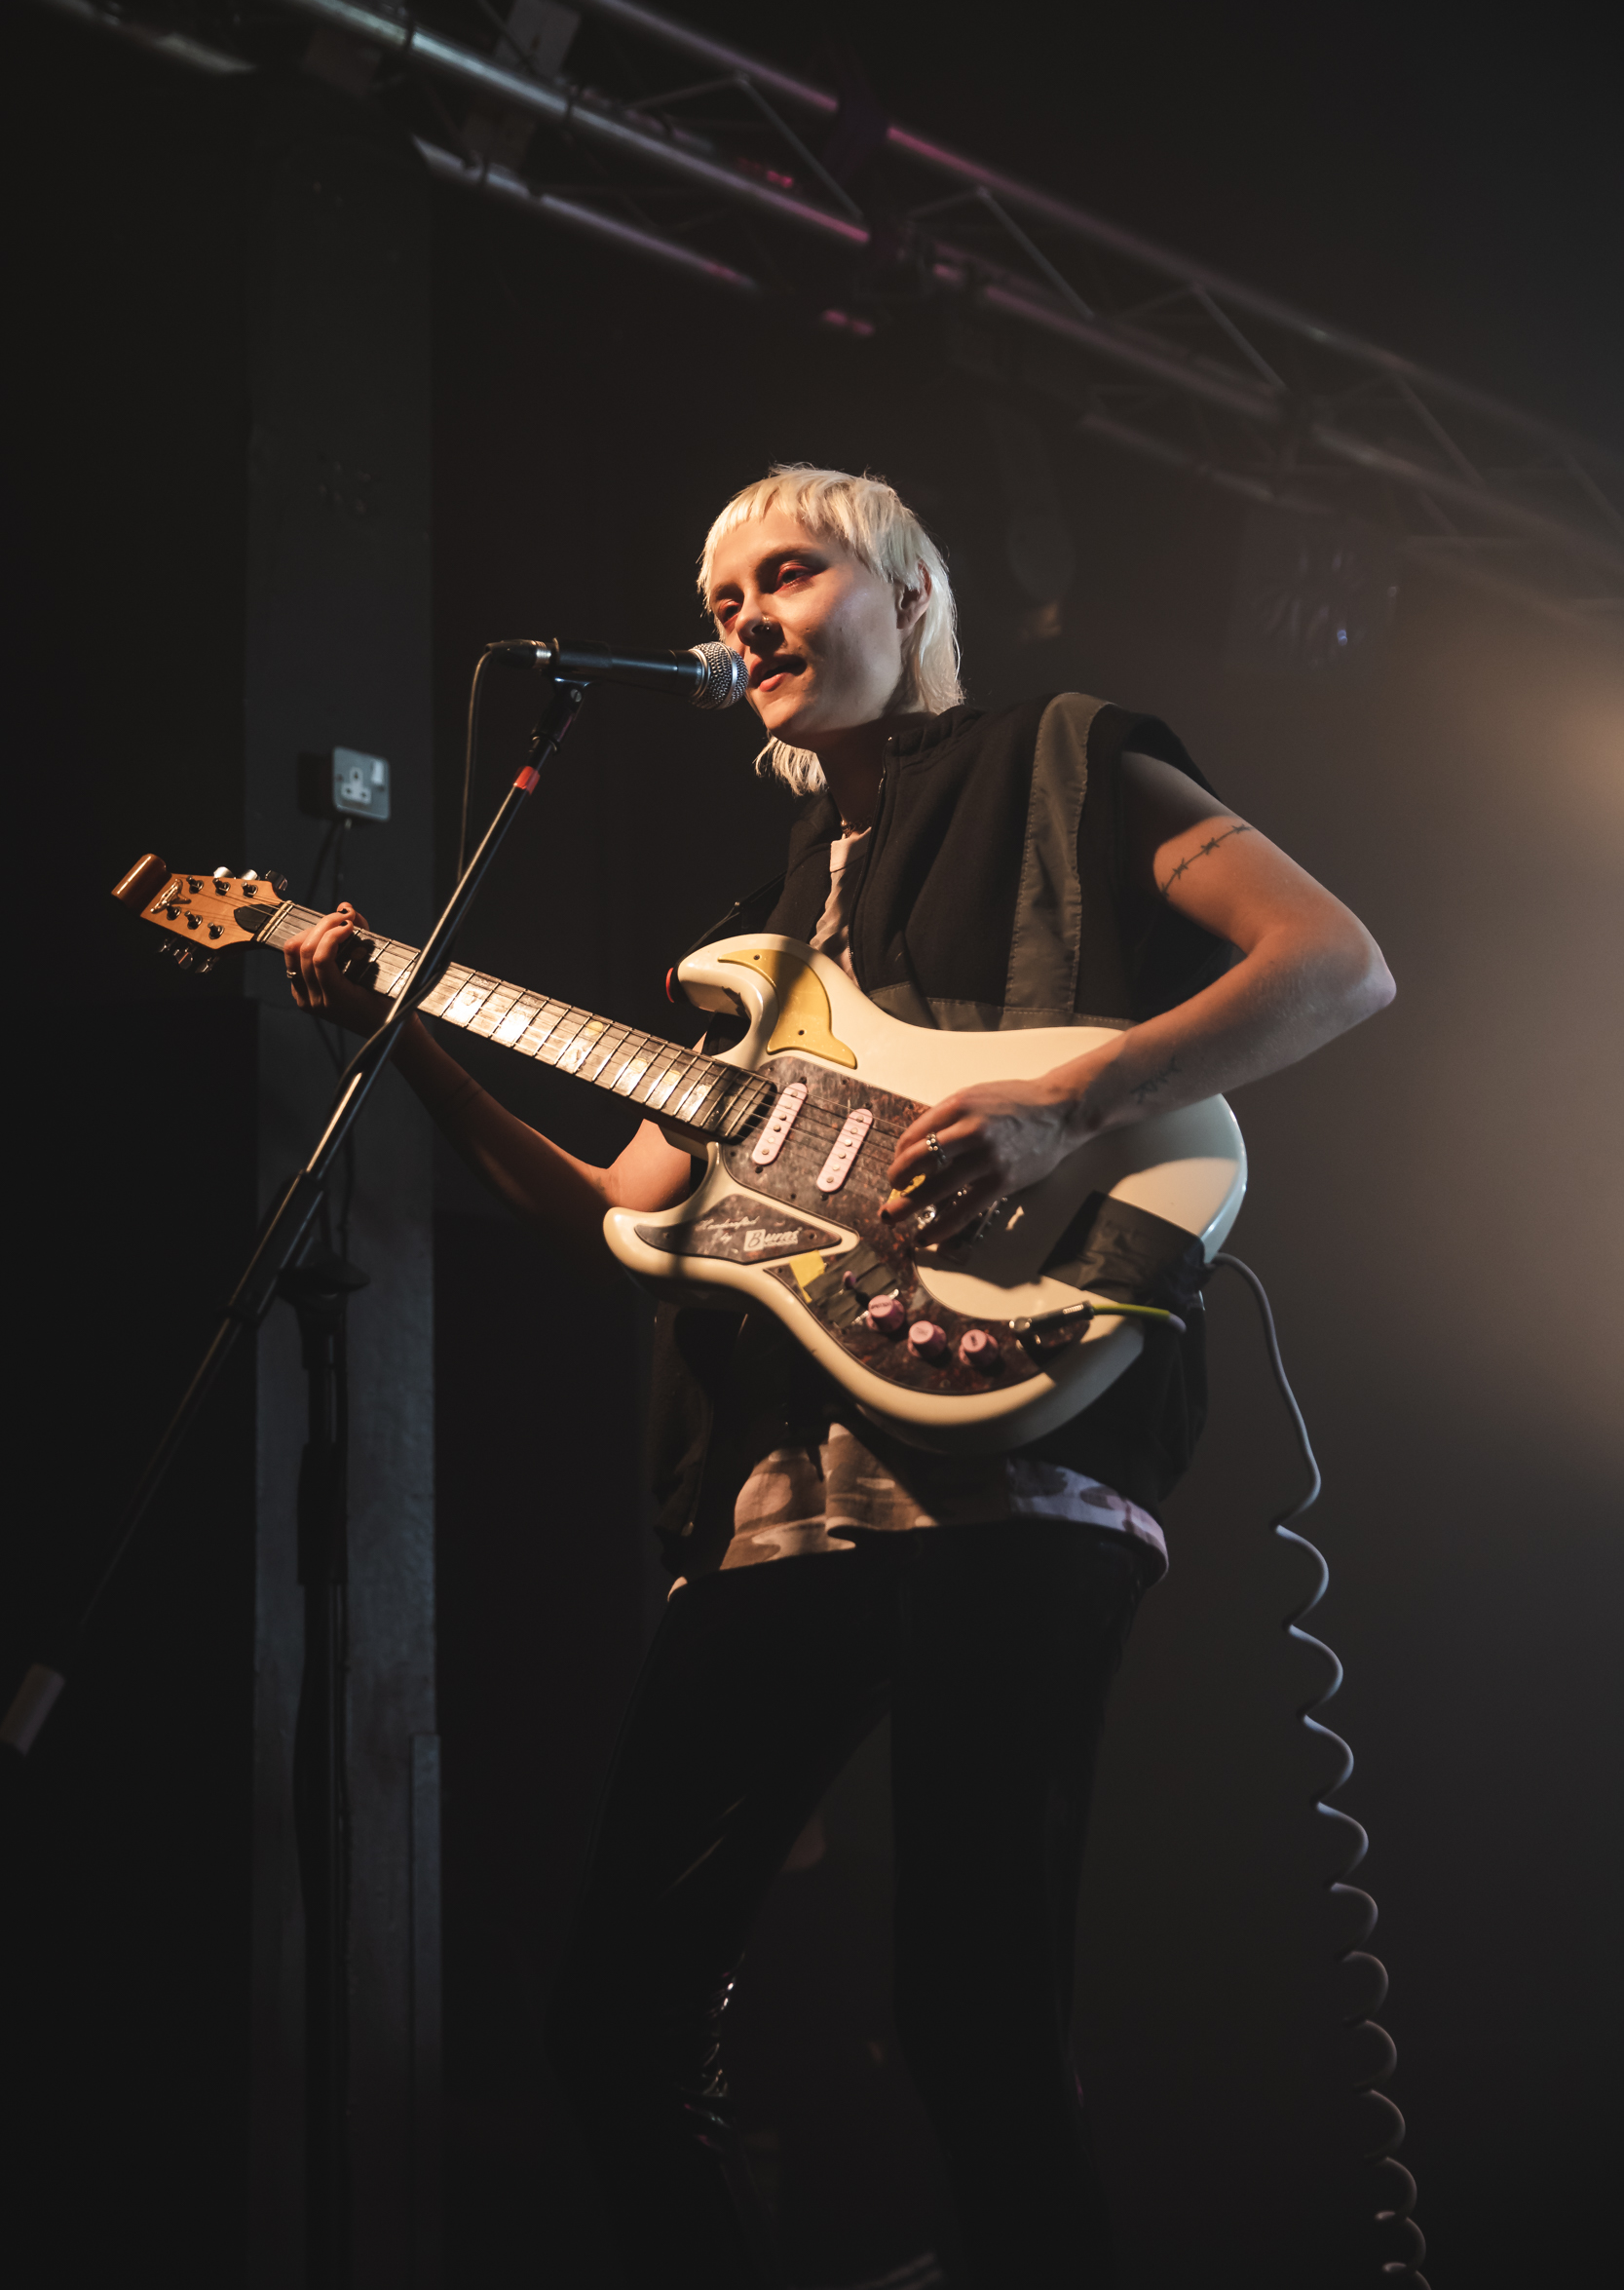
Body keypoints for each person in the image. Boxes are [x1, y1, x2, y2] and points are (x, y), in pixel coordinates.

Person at [286, 466, 1394, 2287]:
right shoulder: (765, 925)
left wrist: (1067, 1100)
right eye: (721, 603)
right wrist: (409, 1035)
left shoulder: (1067, 757)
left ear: (909, 595)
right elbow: (618, 1224)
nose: (743, 623)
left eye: (785, 575)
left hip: (1014, 1475)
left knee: (973, 2028)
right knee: (608, 2030)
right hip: (781, 1513)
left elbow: (1336, 963)